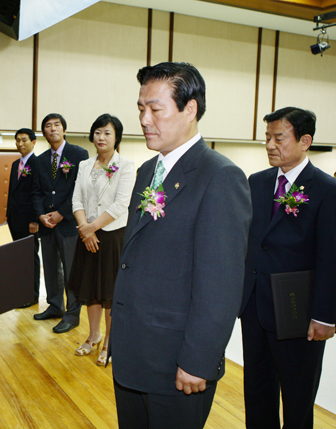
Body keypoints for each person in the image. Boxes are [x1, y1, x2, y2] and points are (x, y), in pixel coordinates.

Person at [110, 62, 252, 429]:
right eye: (140, 108)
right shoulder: (147, 171)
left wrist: (198, 360)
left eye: (155, 109)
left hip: (177, 362)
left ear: (190, 109)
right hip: (134, 352)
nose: (144, 118)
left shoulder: (220, 177)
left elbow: (220, 284)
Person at [239, 107, 336, 429]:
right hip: (255, 308)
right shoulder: (257, 182)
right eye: (267, 138)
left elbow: (330, 256)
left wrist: (325, 316)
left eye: (278, 138)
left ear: (305, 140)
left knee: (297, 398)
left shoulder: (325, 189)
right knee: (256, 393)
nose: (269, 145)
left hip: (298, 310)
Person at [67, 114, 135, 366]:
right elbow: (76, 200)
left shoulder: (126, 165)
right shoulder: (85, 165)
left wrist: (90, 228)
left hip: (113, 235)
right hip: (87, 233)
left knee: (109, 292)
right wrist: (85, 228)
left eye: (107, 132)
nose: (101, 137)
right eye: (97, 132)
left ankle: (109, 341)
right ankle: (93, 335)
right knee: (90, 290)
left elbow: (121, 205)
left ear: (116, 137)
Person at [32, 113, 89, 333]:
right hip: (47, 226)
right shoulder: (41, 159)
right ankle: (55, 306)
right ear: (44, 132)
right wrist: (41, 216)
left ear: (64, 130)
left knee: (70, 270)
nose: (52, 128)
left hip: (67, 223)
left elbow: (79, 187)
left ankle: (72, 315)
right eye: (48, 126)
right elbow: (36, 191)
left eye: (57, 125)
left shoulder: (78, 153)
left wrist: (61, 213)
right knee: (51, 268)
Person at [6, 128, 40, 308]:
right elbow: (13, 193)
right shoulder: (14, 165)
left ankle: (32, 296)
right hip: (14, 220)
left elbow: (37, 193)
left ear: (33, 142)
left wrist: (35, 219)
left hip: (29, 222)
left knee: (30, 258)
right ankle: (19, 293)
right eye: (17, 140)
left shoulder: (38, 163)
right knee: (17, 258)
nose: (20, 144)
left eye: (24, 140)